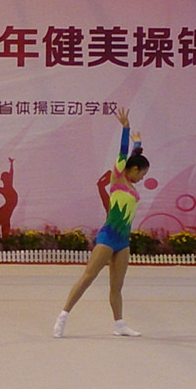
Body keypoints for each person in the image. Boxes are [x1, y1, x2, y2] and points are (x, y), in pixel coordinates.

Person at [53, 107, 149, 338]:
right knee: (88, 277)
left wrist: (138, 144)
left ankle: (119, 325)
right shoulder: (118, 179)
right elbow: (123, 155)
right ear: (134, 170)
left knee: (117, 286)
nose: (142, 178)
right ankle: (63, 316)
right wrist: (126, 129)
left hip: (123, 241)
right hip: (108, 237)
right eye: (142, 174)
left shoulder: (130, 183)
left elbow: (133, 158)